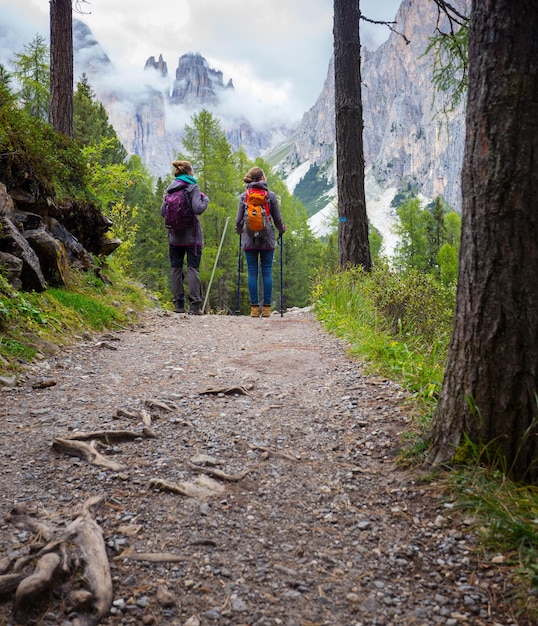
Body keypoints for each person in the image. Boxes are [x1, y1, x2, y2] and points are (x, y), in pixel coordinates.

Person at [235, 167, 285, 318]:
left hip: (249, 239)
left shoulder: (244, 196)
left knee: (252, 271)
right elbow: (277, 219)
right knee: (267, 271)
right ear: (262, 178)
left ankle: (255, 309)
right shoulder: (270, 196)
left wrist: (240, 231)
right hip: (267, 238)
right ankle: (267, 309)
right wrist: (282, 229)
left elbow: (238, 220)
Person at [161, 160, 209, 315]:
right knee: (192, 269)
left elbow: (163, 212)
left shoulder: (170, 188)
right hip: (192, 237)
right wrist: (205, 199)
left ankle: (178, 305)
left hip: (174, 236)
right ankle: (194, 306)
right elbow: (198, 208)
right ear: (189, 172)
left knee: (176, 269)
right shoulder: (192, 187)